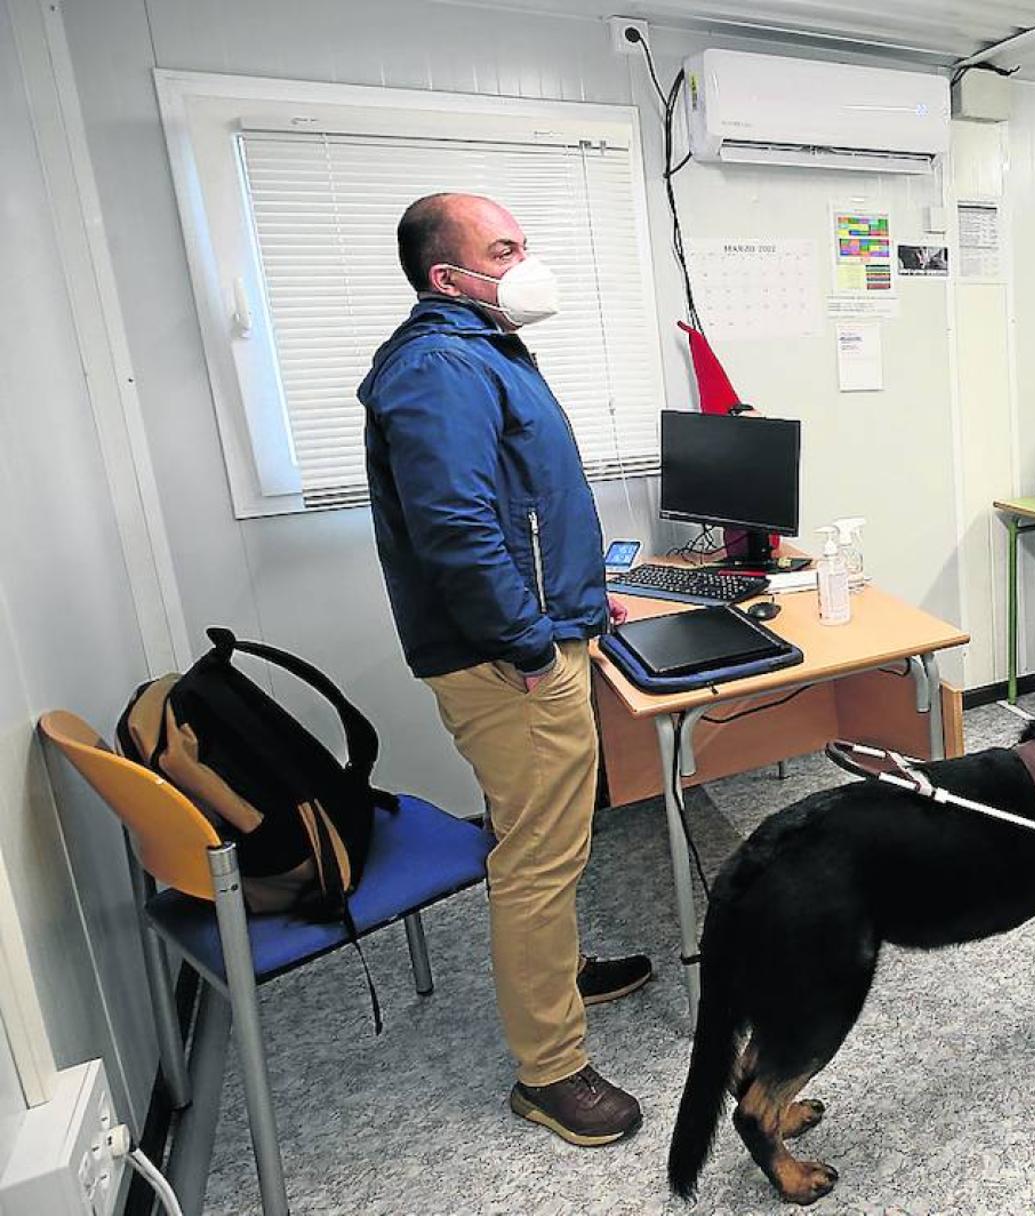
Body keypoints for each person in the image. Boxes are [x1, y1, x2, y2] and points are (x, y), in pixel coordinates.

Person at [359, 193, 650, 1147]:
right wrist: (530, 641)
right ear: (450, 277)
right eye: (505, 248)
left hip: (540, 631)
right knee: (535, 858)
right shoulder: (440, 364)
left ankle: (557, 980)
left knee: (553, 841)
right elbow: (456, 531)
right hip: (507, 661)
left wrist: (576, 595)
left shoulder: (481, 349)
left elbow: (522, 502)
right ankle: (550, 1072)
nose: (528, 261)